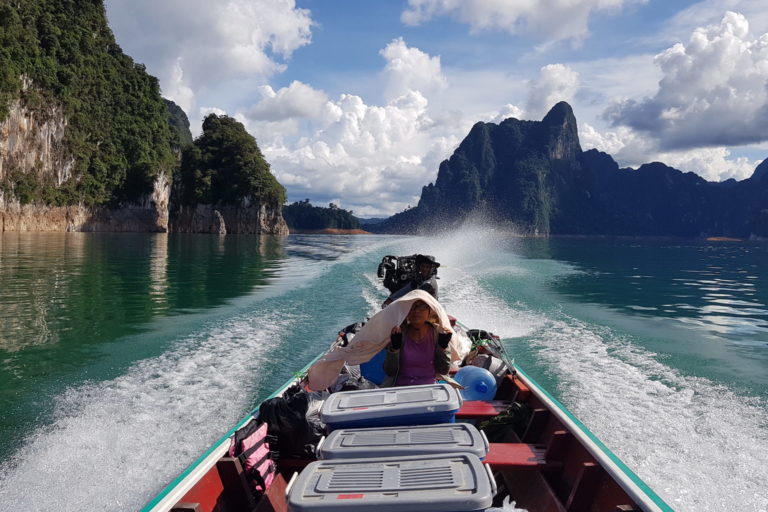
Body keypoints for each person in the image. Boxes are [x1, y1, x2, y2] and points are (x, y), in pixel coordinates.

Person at [382, 298, 452, 387]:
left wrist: (443, 348)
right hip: (400, 388)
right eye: (412, 307)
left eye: (422, 307)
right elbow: (390, 372)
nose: (416, 311)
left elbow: (443, 370)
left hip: (430, 388)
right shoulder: (399, 333)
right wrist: (394, 349)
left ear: (429, 312)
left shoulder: (438, 333)